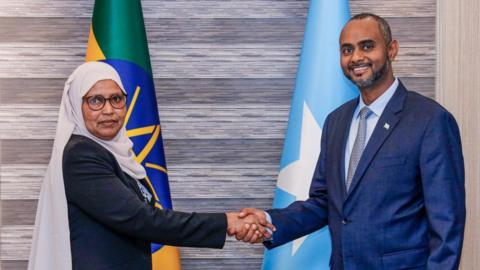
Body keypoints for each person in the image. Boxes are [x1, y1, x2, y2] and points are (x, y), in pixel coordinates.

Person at [238, 13, 466, 269]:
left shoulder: (431, 120)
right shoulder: (336, 121)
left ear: (392, 49)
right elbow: (324, 202)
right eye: (347, 50)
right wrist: (269, 220)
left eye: (367, 46)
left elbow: (447, 224)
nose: (356, 57)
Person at [28, 61, 273, 270]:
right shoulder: (81, 155)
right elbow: (141, 219)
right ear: (76, 106)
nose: (109, 110)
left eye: (116, 99)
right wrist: (228, 222)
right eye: (95, 101)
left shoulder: (115, 152)